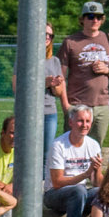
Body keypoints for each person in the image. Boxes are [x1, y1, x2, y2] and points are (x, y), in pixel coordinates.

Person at [57, 1, 109, 146]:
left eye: (99, 17)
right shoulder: (70, 42)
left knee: (95, 147)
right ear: (82, 19)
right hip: (77, 104)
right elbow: (60, 77)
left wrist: (107, 70)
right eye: (91, 16)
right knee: (72, 146)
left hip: (102, 105)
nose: (95, 20)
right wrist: (66, 105)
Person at [43, 104, 103, 217]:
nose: (84, 125)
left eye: (87, 121)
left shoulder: (93, 145)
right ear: (71, 122)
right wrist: (85, 174)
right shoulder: (59, 145)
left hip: (80, 194)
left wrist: (96, 171)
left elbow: (96, 183)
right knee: (79, 190)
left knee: (103, 192)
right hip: (55, 195)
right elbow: (57, 182)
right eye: (80, 121)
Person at [42, 22, 69, 159]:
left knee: (47, 152)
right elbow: (17, 87)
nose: (47, 37)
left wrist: (54, 85)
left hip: (49, 113)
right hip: (28, 113)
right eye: (44, 34)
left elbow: (58, 92)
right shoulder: (26, 58)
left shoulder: (55, 61)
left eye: (50, 35)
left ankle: (43, 180)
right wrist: (43, 83)